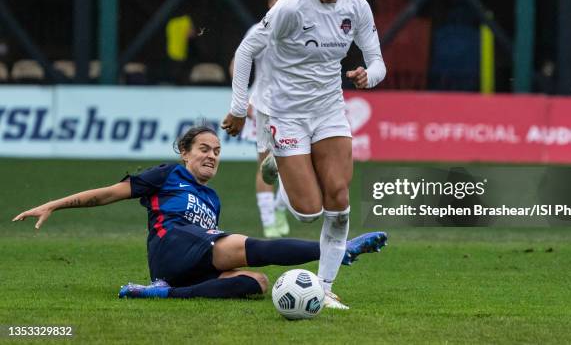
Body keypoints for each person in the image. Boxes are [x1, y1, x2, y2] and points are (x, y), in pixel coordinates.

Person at [12, 124, 387, 300]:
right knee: (244, 245)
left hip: (192, 259)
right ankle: (338, 249)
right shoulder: (167, 174)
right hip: (170, 245)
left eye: (217, 151)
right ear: (185, 153)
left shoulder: (212, 199)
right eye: (204, 148)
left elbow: (217, 248)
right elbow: (105, 195)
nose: (211, 155)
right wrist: (54, 204)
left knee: (257, 282)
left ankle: (164, 294)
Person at [222, 0, 386, 309]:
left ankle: (325, 287)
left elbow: (378, 61)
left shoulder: (356, 5)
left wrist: (369, 76)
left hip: (329, 109)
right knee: (309, 213)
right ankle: (281, 163)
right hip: (287, 113)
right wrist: (237, 109)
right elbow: (247, 50)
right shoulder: (291, 8)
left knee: (340, 199)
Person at [228, 0, 293, 239]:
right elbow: (238, 62)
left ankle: (279, 209)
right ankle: (268, 221)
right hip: (262, 106)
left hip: (293, 108)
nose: (281, 2)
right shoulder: (258, 30)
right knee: (266, 166)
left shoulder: (303, 29)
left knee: (291, 166)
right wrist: (243, 100)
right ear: (269, 3)